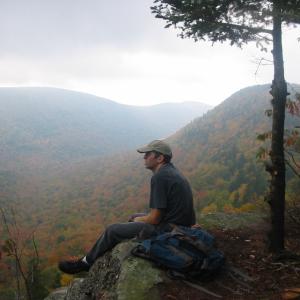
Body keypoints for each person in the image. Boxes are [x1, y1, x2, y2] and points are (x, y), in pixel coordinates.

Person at [58, 140, 196, 274]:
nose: (144, 157)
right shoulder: (172, 172)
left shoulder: (160, 177)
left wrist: (139, 221)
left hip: (169, 230)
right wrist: (138, 219)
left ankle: (86, 263)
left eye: (148, 154)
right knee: (134, 216)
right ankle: (128, 239)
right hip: (180, 225)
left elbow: (154, 219)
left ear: (160, 158)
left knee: (112, 230)